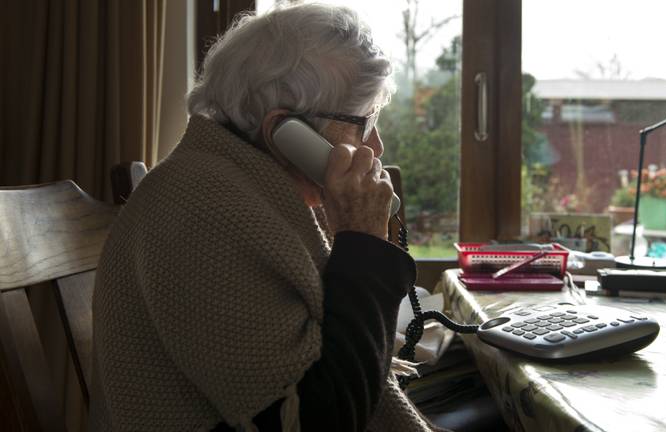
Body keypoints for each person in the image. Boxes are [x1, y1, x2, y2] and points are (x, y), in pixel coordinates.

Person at [89, 3, 440, 432]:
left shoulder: (240, 189)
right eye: (364, 124)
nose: (378, 147)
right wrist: (363, 244)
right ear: (287, 133)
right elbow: (316, 420)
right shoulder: (202, 209)